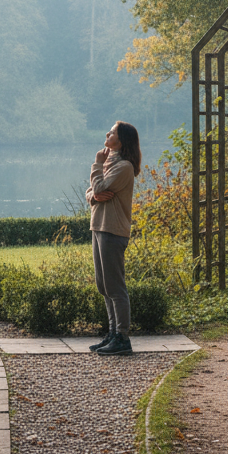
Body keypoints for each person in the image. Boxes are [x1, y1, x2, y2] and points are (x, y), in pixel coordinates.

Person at [86, 121, 142, 355]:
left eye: (112, 132)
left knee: (115, 287)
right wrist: (94, 195)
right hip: (99, 227)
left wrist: (97, 167)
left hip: (113, 230)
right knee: (103, 285)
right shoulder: (110, 163)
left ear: (121, 140)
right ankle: (112, 333)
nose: (107, 133)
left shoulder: (124, 167)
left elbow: (98, 188)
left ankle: (122, 337)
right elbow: (92, 191)